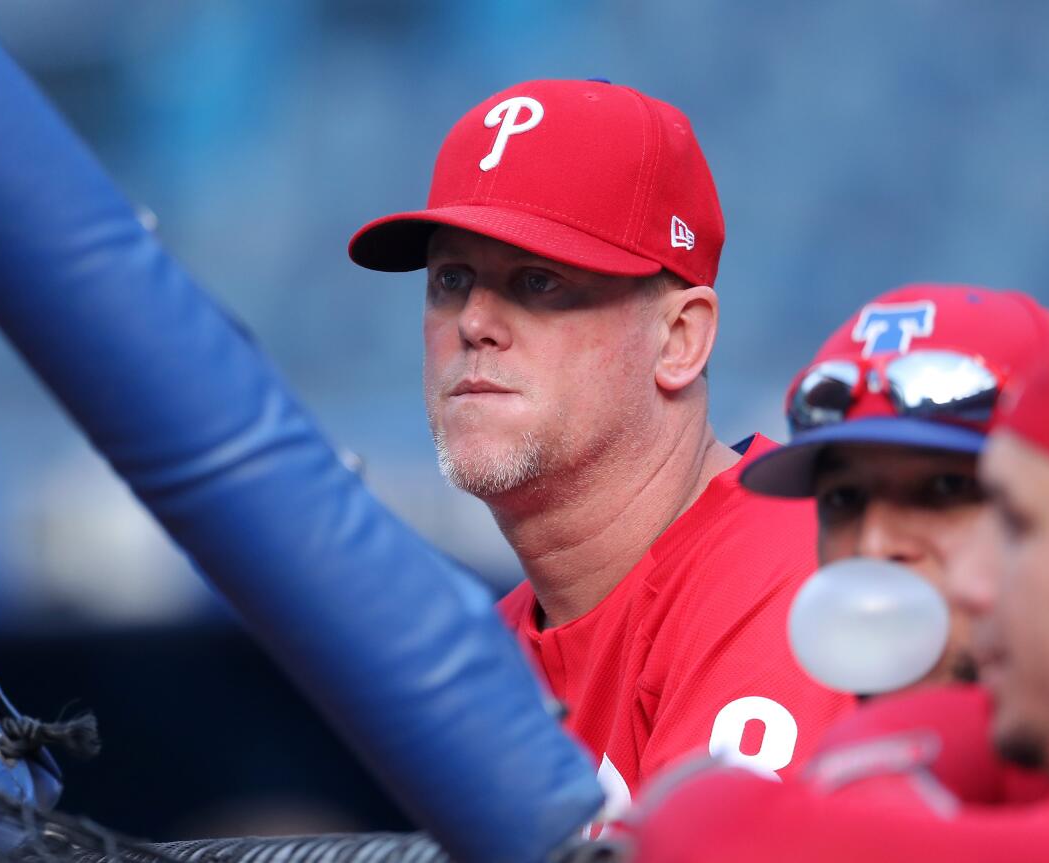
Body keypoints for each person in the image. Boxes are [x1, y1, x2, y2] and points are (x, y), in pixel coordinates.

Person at [346, 78, 853, 818]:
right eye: (451, 279)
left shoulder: (790, 574)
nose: (475, 321)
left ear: (679, 339)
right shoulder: (498, 654)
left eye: (538, 281)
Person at [627, 278, 1049, 862]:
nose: (875, 544)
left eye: (946, 490)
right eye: (844, 500)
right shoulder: (906, 759)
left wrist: (703, 815)